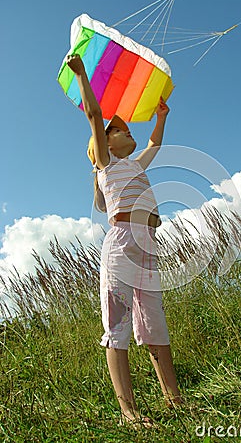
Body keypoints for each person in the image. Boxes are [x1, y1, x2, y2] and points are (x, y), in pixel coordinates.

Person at [66, 54, 182, 427]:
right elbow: (94, 116)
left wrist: (161, 117)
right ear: (103, 145)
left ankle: (174, 398)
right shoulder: (107, 165)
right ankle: (129, 412)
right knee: (117, 328)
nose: (125, 129)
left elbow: (155, 144)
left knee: (154, 324)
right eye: (119, 129)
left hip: (146, 249)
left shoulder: (135, 163)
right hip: (119, 248)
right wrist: (83, 76)